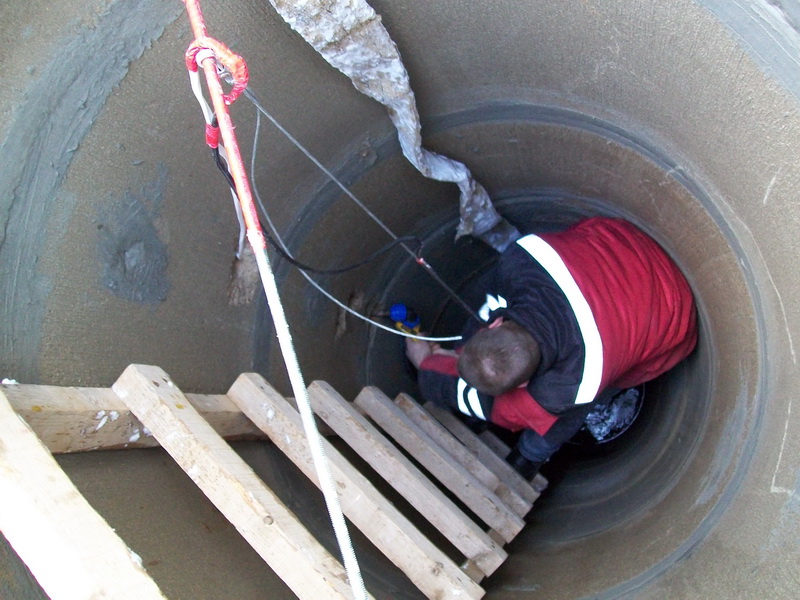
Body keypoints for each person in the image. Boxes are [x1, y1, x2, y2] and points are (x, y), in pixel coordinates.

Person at [406, 216, 698, 479]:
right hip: (622, 245)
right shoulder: (520, 260)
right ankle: (528, 459)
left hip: (672, 316)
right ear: (498, 326)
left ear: (523, 385)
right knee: (564, 399)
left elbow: (501, 411)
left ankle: (528, 459)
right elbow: (492, 305)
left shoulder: (573, 382)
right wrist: (457, 357)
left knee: (566, 413)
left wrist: (426, 367)